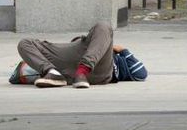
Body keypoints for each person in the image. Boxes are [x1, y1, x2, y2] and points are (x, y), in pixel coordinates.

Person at [16, 21, 147, 88]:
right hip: (72, 55)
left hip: (98, 68)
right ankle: (52, 72)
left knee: (104, 26)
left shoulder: (118, 61)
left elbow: (141, 74)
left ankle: (82, 70)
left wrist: (123, 50)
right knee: (24, 43)